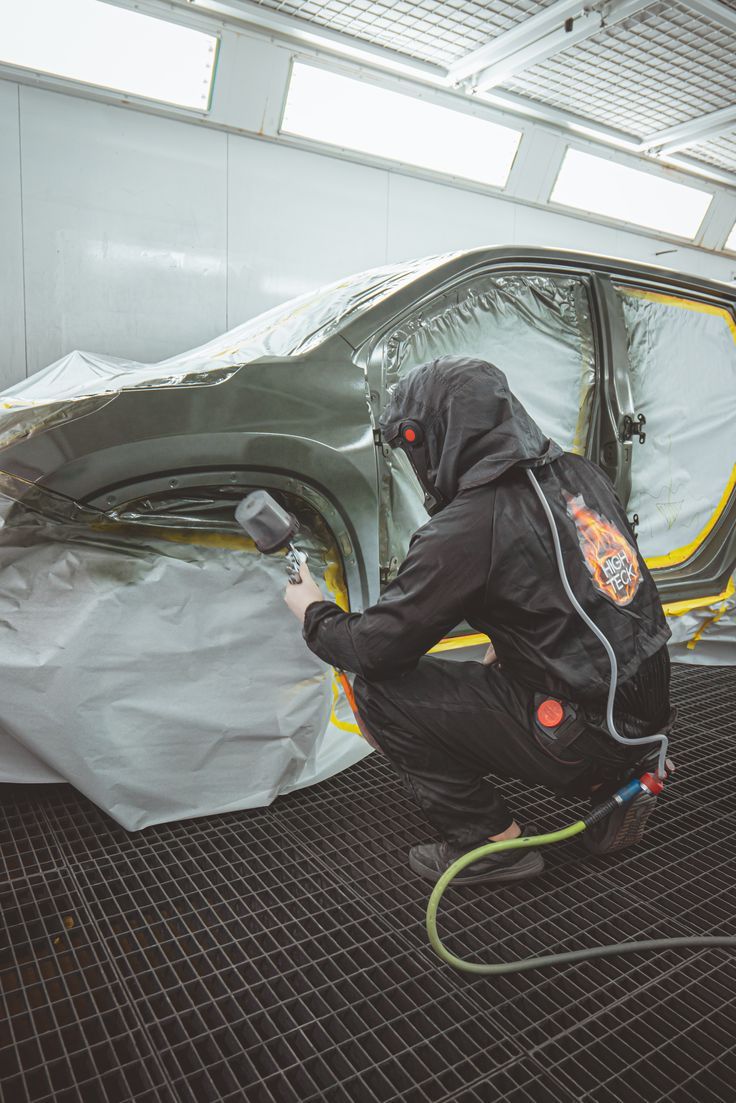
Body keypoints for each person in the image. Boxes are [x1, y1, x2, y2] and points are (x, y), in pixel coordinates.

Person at [284, 357, 673, 886]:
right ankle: (623, 777)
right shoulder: (578, 474)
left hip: (581, 732)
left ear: (433, 438)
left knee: (379, 692)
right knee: (493, 659)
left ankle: (492, 844)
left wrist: (312, 611)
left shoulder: (472, 524)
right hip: (646, 715)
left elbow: (376, 649)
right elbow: (596, 593)